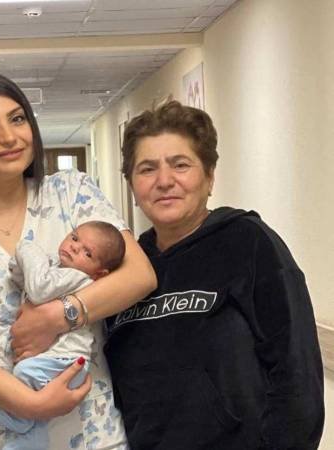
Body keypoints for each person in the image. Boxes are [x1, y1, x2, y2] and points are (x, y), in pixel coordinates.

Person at [0, 71, 156, 449]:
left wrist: (61, 314)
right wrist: (29, 404)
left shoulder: (71, 192)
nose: (9, 137)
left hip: (85, 430)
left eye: (17, 118)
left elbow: (139, 275)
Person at [104, 100, 324, 449]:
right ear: (131, 185)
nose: (164, 181)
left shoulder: (249, 243)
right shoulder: (128, 266)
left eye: (180, 165)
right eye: (147, 169)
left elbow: (297, 375)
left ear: (209, 176)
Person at [0, 221, 126, 450]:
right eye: (75, 237)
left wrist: (26, 248)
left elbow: (39, 289)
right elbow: (23, 279)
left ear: (99, 273)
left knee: (24, 375)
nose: (74, 247)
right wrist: (22, 265)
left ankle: (21, 420)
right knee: (35, 403)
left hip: (66, 362)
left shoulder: (79, 277)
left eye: (87, 253)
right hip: (55, 361)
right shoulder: (56, 269)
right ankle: (29, 440)